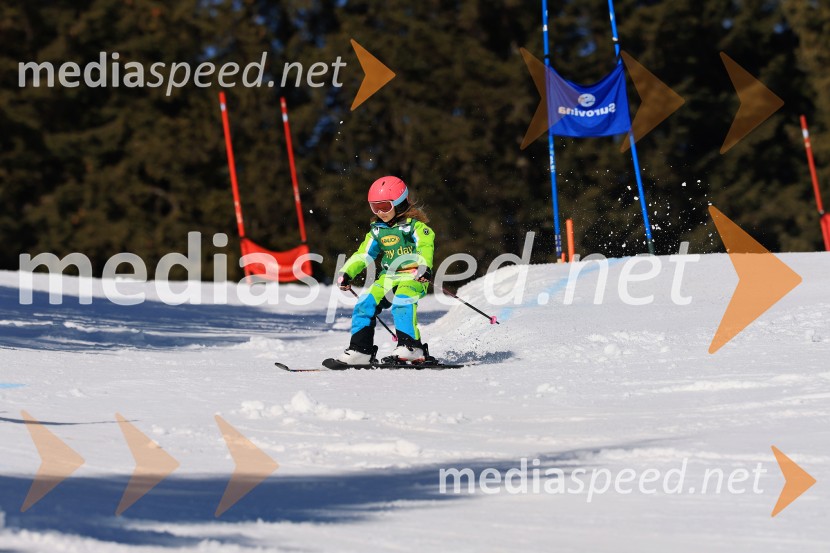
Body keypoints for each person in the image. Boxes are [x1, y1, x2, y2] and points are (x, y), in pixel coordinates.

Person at [335, 176, 435, 364]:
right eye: (375, 207)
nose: (380, 212)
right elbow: (363, 254)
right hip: (388, 277)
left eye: (385, 206)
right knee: (364, 304)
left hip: (413, 276)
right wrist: (347, 272)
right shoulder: (377, 231)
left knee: (402, 302)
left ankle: (411, 347)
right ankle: (360, 350)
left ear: (400, 203)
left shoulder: (416, 227)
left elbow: (425, 246)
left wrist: (424, 267)